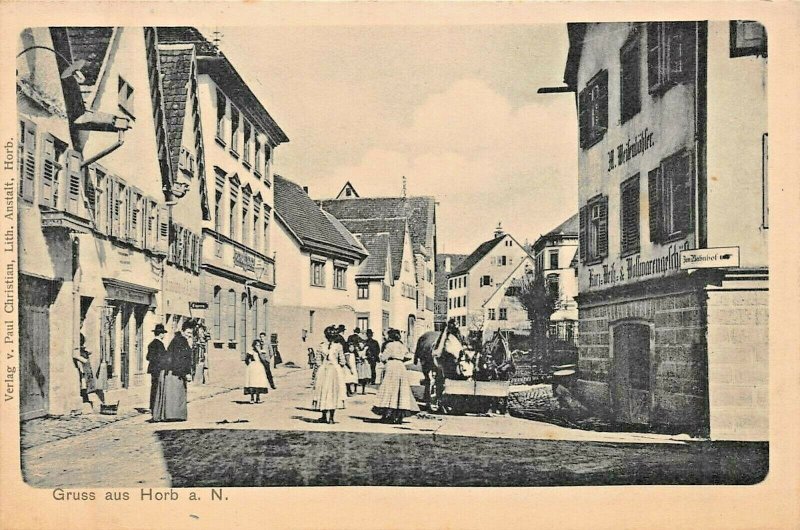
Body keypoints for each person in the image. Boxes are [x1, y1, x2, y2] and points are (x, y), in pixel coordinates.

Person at [372, 328, 419, 424]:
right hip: (400, 367)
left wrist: (383, 358)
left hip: (391, 366)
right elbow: (408, 356)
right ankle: (398, 416)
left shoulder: (389, 345)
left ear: (390, 336)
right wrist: (401, 359)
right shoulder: (402, 345)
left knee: (389, 389)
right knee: (400, 390)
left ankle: (388, 414)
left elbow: (383, 357)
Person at [152, 321, 194, 422]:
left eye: (191, 333)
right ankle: (173, 415)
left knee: (175, 393)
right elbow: (179, 359)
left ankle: (172, 415)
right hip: (174, 372)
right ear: (183, 331)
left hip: (173, 371)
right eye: (188, 333)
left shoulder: (179, 340)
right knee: (174, 393)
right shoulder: (180, 341)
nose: (189, 335)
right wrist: (185, 373)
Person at [311, 326, 347, 424]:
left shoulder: (320, 346)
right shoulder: (339, 346)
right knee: (334, 393)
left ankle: (323, 416)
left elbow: (318, 362)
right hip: (335, 371)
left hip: (323, 371)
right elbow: (343, 361)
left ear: (325, 336)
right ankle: (331, 418)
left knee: (322, 391)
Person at [73, 333, 106, 407]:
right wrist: (84, 359)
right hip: (82, 367)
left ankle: (87, 399)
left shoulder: (82, 350)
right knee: (83, 382)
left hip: (85, 368)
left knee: (87, 382)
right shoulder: (78, 350)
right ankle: (85, 399)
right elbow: (75, 356)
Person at [146, 324, 168, 411]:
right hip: (158, 368)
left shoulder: (151, 344)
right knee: (157, 387)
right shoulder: (159, 344)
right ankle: (155, 406)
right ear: (161, 334)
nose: (164, 335)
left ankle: (152, 406)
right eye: (163, 333)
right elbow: (161, 357)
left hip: (153, 369)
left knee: (154, 387)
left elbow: (148, 357)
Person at [244, 339, 270, 403]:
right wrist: (250, 365)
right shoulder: (251, 352)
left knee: (259, 383)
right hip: (253, 368)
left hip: (260, 368)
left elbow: (264, 360)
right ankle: (252, 398)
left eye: (258, 345)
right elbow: (246, 360)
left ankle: (258, 398)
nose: (257, 346)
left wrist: (259, 352)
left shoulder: (262, 352)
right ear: (254, 345)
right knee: (252, 383)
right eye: (256, 345)